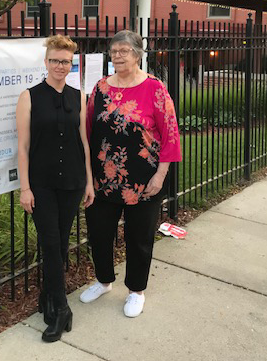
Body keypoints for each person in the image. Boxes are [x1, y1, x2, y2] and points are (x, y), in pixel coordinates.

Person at [80, 30, 182, 318]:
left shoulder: (155, 88)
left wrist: (160, 176)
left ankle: (137, 291)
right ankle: (103, 281)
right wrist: (87, 176)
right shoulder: (100, 88)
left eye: (124, 50)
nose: (118, 56)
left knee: (139, 237)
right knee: (99, 234)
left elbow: (170, 134)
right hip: (103, 179)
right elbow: (88, 131)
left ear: (138, 54)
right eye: (114, 51)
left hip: (143, 181)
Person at [15, 35, 95, 342]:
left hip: (72, 181)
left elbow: (84, 142)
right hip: (43, 184)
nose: (60, 66)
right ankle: (62, 309)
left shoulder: (79, 96)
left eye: (65, 61)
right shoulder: (30, 96)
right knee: (50, 243)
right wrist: (25, 188)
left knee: (60, 244)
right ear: (46, 62)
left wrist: (89, 181)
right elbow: (22, 147)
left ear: (71, 63)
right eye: (55, 60)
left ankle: (47, 299)